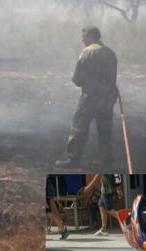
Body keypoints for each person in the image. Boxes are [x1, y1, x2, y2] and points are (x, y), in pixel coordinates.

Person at [55, 26, 118, 168]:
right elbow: (112, 77)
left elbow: (77, 78)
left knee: (79, 127)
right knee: (105, 129)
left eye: (84, 37)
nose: (82, 40)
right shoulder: (110, 53)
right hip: (108, 98)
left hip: (90, 97)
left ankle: (73, 159)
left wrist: (78, 81)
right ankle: (106, 159)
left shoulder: (87, 52)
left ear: (91, 36)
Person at [46, 175, 69, 240]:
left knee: (49, 213)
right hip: (48, 193)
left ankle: (62, 229)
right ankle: (62, 229)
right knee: (50, 212)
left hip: (46, 194)